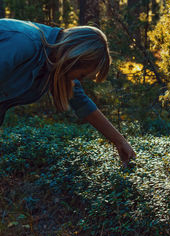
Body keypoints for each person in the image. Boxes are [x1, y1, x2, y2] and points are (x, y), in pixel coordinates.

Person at [0, 18, 136, 165]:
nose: (79, 80)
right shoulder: (25, 44)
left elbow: (82, 103)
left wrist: (120, 141)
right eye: (82, 75)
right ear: (73, 59)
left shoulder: (55, 61)